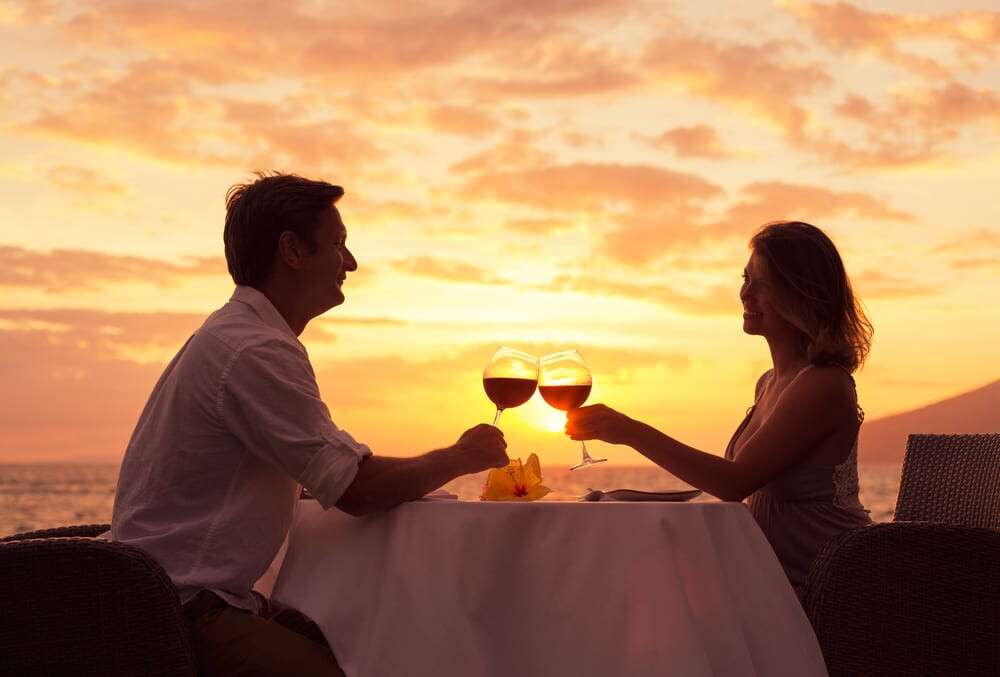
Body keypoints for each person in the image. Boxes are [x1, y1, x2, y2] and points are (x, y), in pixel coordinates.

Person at [109, 172, 509, 675]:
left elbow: (309, 470)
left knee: (360, 644)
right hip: (182, 610)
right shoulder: (255, 350)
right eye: (338, 244)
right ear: (292, 251)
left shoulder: (232, 335)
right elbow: (356, 489)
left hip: (174, 595)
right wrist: (462, 456)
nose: (351, 262)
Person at [566, 221, 873, 598]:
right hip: (764, 572)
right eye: (745, 279)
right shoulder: (770, 382)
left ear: (799, 295)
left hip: (822, 585)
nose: (745, 294)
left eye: (761, 284)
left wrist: (629, 431)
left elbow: (733, 482)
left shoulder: (823, 384)